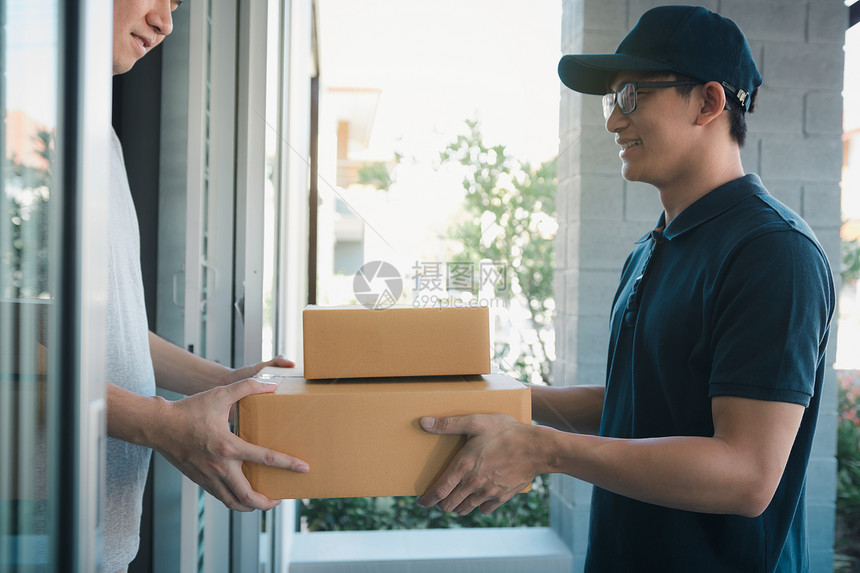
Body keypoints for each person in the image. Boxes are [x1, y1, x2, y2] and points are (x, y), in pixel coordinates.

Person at [417, 6, 835, 571]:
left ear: (710, 102)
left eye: (631, 96)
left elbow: (746, 474)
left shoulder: (771, 252)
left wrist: (544, 450)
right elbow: (641, 408)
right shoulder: (654, 246)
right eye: (610, 102)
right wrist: (503, 397)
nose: (613, 122)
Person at [105, 1, 308, 570]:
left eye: (175, 6)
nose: (166, 23)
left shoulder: (101, 141)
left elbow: (102, 333)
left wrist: (230, 381)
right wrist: (160, 423)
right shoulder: (22, 120)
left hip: (104, 536)